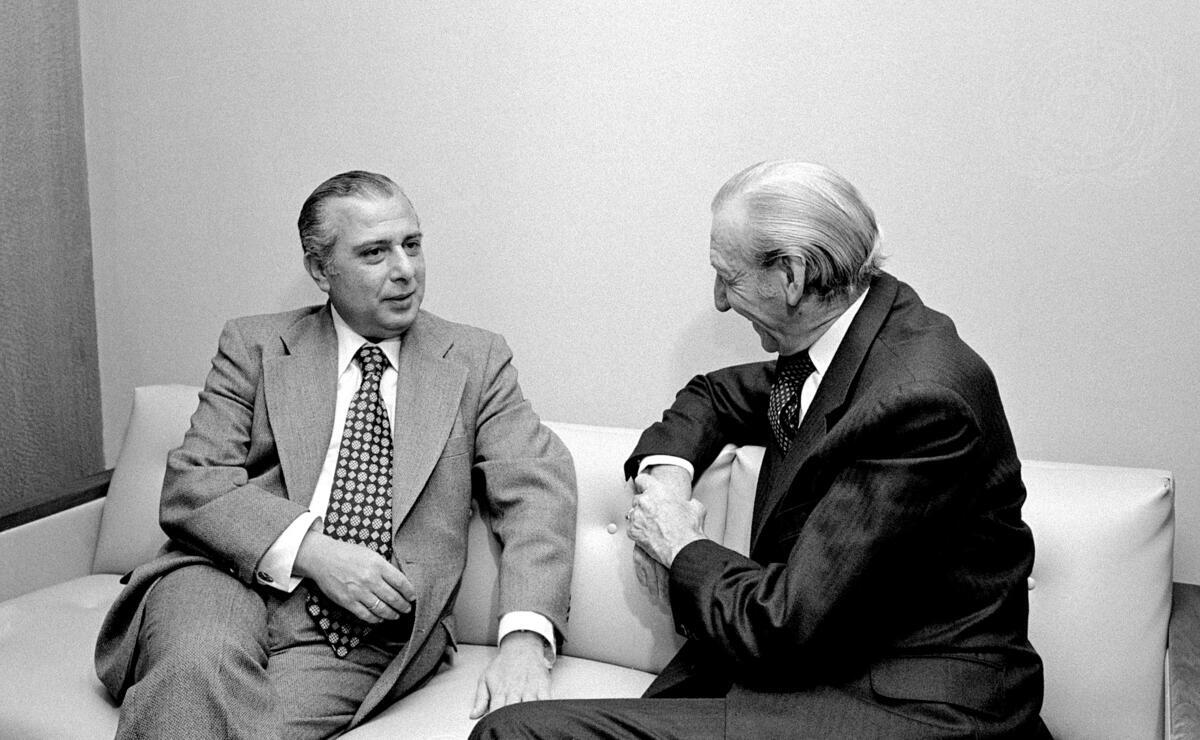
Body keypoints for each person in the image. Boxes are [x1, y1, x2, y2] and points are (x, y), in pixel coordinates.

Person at [471, 161, 1049, 738]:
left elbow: (783, 625)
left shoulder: (918, 401)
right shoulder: (851, 344)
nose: (720, 301)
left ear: (792, 275)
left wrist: (677, 542)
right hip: (819, 680)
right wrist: (667, 483)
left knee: (514, 734)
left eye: (729, 277)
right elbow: (713, 396)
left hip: (909, 711)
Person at [94, 170, 577, 738]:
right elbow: (193, 484)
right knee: (192, 668)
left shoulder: (475, 360)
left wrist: (525, 640)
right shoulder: (255, 345)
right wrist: (315, 552)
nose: (405, 269)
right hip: (221, 577)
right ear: (321, 270)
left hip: (366, 629)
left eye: (412, 244)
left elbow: (537, 490)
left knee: (227, 726)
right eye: (375, 252)